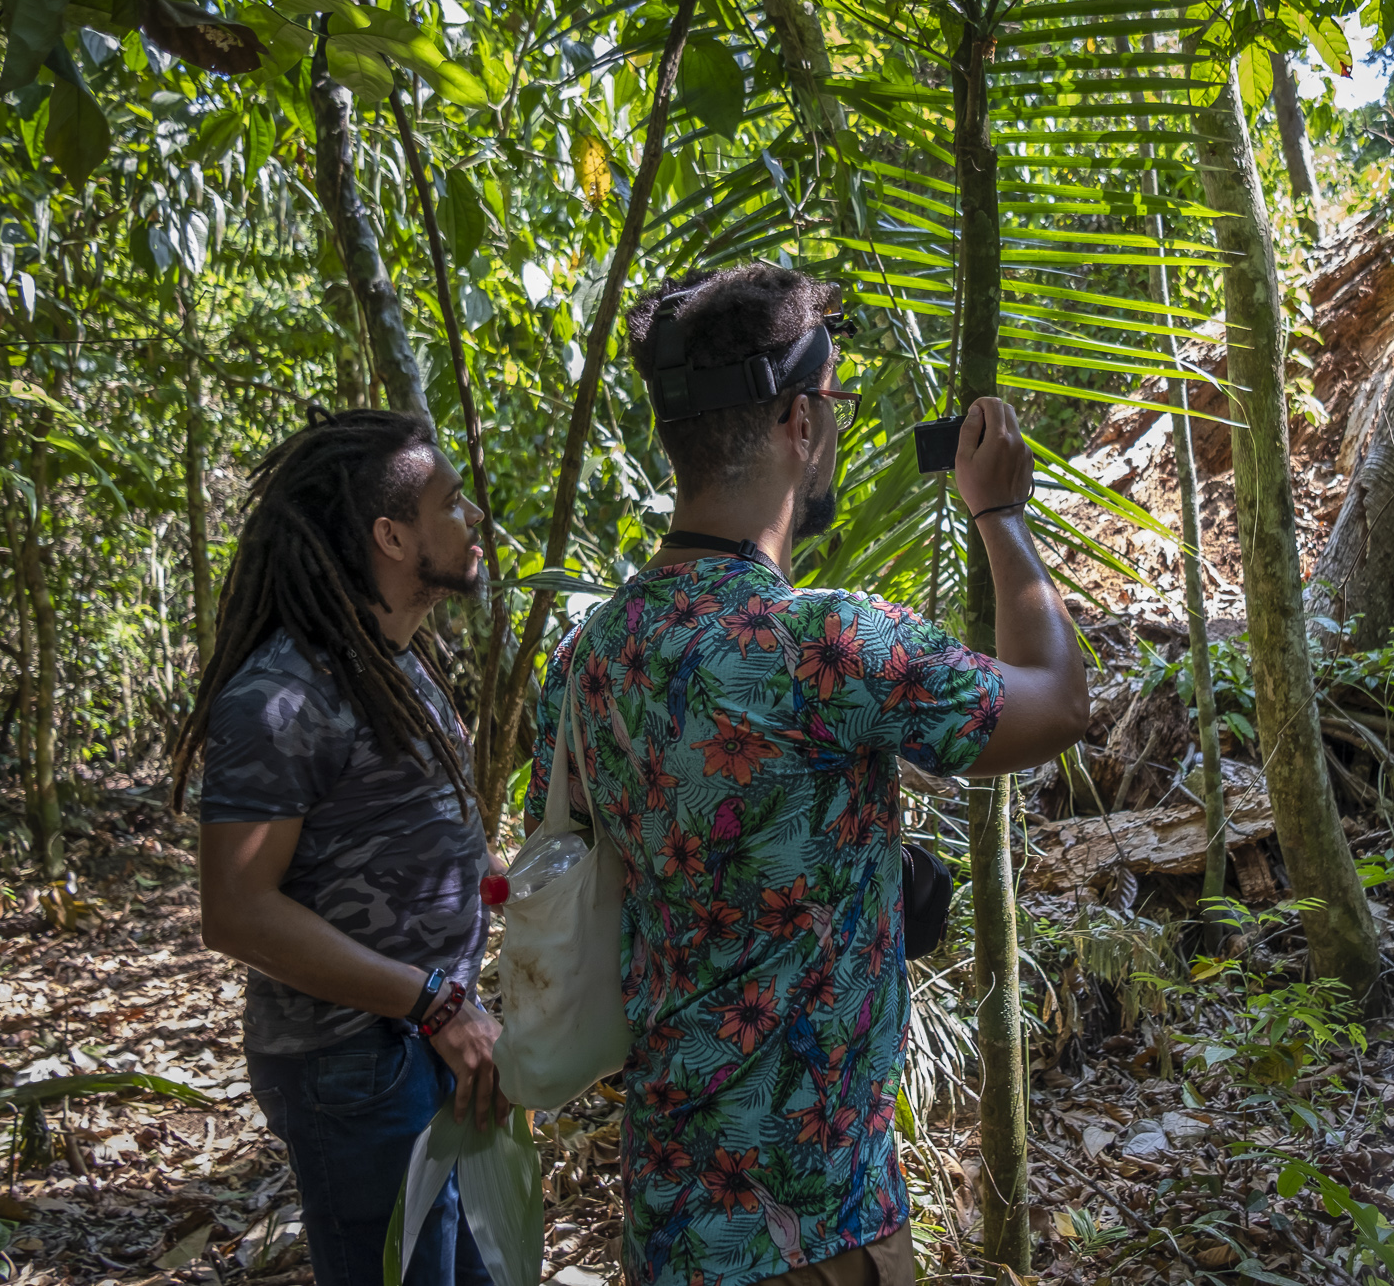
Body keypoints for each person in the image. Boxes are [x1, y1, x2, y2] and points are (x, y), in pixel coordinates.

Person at [521, 262, 1089, 1286]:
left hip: (667, 1225)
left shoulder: (585, 658)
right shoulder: (824, 642)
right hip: (815, 1230)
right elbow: (1055, 700)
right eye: (831, 405)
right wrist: (998, 514)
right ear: (796, 421)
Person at [170, 408, 503, 1286]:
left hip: (435, 1039)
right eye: (452, 502)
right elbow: (237, 911)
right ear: (392, 535)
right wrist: (430, 1001)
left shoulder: (396, 657)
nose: (474, 520)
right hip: (356, 1064)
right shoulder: (279, 695)